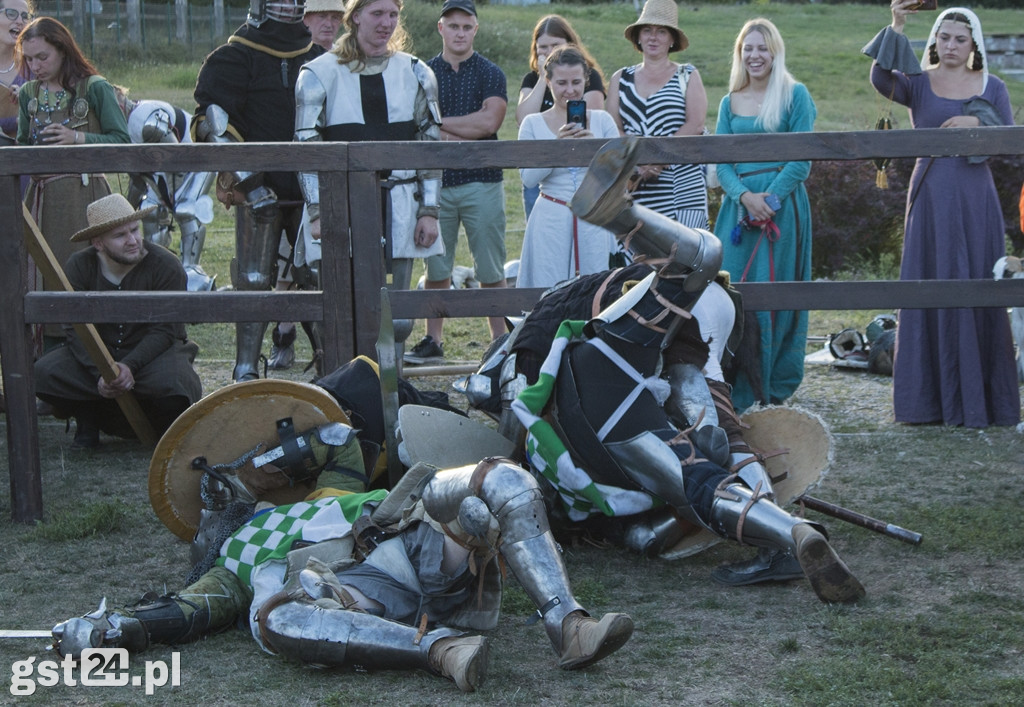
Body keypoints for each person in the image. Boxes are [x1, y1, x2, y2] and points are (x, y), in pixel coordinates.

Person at [464, 138, 864, 603]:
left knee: (692, 479)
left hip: (605, 383)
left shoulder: (527, 346)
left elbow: (505, 404)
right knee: (710, 398)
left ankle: (780, 525)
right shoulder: (561, 313)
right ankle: (767, 506)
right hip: (697, 315)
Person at [52, 440, 633, 692]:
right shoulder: (228, 564)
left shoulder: (321, 496)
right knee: (277, 618)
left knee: (502, 478)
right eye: (210, 499)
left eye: (223, 486)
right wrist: (115, 630)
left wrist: (270, 457)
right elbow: (185, 612)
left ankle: (569, 625)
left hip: (412, 534)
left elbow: (337, 441)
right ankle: (442, 651)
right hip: (365, 599)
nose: (218, 494)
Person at [865, 4, 1019, 427]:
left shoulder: (993, 86)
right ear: (934, 40)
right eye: (944, 37)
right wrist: (897, 24)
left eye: (960, 39)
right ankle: (925, 402)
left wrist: (975, 118)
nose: (951, 45)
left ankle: (981, 400)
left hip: (975, 200)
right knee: (926, 283)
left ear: (974, 46)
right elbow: (880, 79)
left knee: (975, 284)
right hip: (930, 194)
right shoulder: (918, 81)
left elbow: (1006, 140)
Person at [294, 0, 443, 370]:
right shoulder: (317, 73)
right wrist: (317, 210)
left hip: (402, 201)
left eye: (393, 15)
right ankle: (342, 381)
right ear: (355, 15)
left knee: (399, 313)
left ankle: (391, 383)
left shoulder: (416, 72)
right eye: (377, 14)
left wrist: (429, 211)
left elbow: (430, 147)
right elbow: (306, 148)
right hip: (339, 203)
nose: (386, 23)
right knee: (337, 306)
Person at [193, 0, 325, 381]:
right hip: (257, 187)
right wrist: (250, 184)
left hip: (310, 185)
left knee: (318, 274)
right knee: (253, 279)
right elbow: (212, 124)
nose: (288, 5)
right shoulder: (233, 57)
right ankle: (246, 368)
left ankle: (331, 364)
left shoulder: (318, 58)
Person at [34, 194, 203, 448]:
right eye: (120, 235)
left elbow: (166, 330)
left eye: (134, 230)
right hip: (97, 354)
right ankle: (88, 420)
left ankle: (160, 426)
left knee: (175, 384)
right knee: (43, 374)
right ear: (98, 243)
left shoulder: (165, 265)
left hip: (152, 354)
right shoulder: (80, 266)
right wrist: (101, 371)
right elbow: (76, 329)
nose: (133, 240)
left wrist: (129, 366)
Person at [713, 18, 816, 413]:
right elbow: (721, 163)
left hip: (783, 210)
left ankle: (771, 383)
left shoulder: (795, 96)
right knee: (732, 295)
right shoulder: (729, 102)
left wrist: (769, 201)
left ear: (775, 51)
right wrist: (745, 198)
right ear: (740, 54)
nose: (754, 56)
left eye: (762, 48)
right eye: (747, 49)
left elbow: (801, 159)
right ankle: (732, 383)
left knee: (776, 294)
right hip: (738, 214)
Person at [15, 17, 130, 352]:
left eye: (42, 57)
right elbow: (24, 146)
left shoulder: (94, 87)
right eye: (29, 59)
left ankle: (97, 352)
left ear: (63, 51)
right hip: (42, 203)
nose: (35, 66)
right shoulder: (28, 94)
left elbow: (122, 142)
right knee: (41, 275)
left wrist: (76, 137)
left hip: (86, 200)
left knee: (83, 273)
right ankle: (48, 358)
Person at [404, 0, 507, 366]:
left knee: (491, 266)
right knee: (436, 265)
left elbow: (488, 124)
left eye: (467, 26)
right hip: (435, 184)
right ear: (440, 28)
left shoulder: (491, 72)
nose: (460, 32)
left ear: (475, 30)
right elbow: (417, 126)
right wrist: (452, 128)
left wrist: (439, 124)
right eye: (453, 25)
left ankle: (500, 340)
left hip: (482, 180)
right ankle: (433, 339)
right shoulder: (422, 72)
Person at [516, 45, 619, 290]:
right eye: (561, 83)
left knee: (595, 291)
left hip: (594, 217)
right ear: (548, 81)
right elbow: (528, 179)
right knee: (549, 290)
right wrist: (557, 149)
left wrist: (594, 148)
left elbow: (619, 177)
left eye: (576, 82)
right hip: (550, 216)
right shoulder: (532, 124)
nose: (570, 90)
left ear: (586, 79)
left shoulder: (603, 121)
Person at [606, 0, 709, 230]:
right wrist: (639, 163)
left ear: (672, 39)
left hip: (682, 185)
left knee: (684, 260)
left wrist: (658, 159)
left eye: (661, 31)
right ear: (638, 37)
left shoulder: (688, 75)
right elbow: (613, 127)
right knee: (638, 261)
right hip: (634, 184)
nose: (653, 37)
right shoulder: (619, 79)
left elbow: (696, 123)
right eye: (647, 30)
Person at [515, 14, 605, 222]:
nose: (549, 52)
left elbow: (591, 115)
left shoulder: (589, 76)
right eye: (543, 48)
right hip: (541, 170)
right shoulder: (532, 79)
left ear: (569, 44)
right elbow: (523, 118)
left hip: (581, 170)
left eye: (555, 45)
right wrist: (542, 78)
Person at [126, 99, 218, 292]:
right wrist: (126, 213)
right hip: (162, 169)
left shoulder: (146, 118)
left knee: (186, 209)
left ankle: (190, 272)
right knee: (149, 211)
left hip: (195, 158)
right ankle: (155, 270)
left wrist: (168, 196)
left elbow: (173, 155)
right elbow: (136, 178)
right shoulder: (123, 127)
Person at [0, 0, 31, 142]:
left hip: (25, 156)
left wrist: (28, 97)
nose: (20, 21)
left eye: (25, 16)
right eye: (11, 14)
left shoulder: (34, 63)